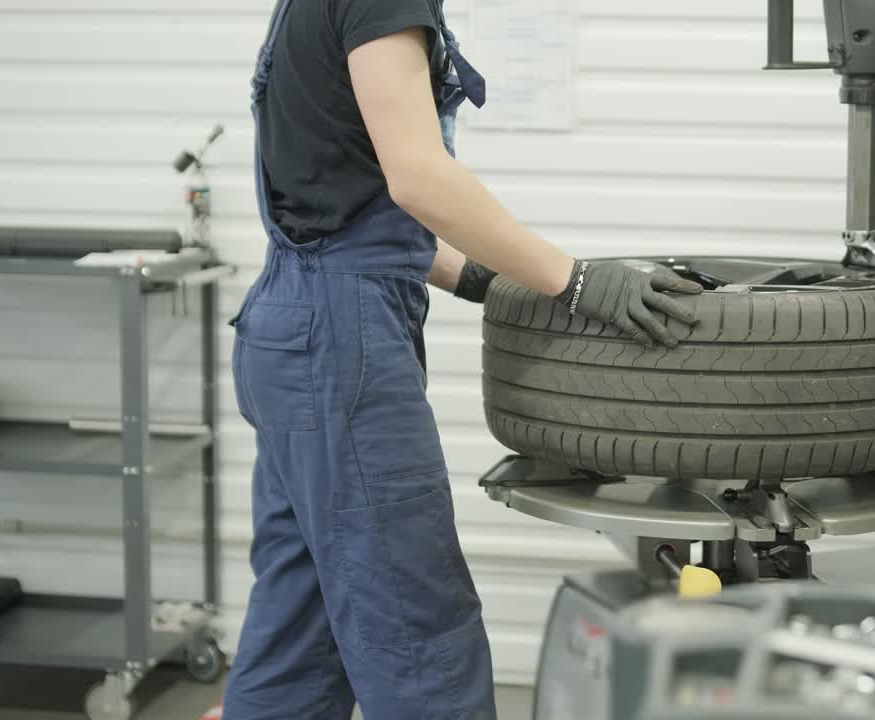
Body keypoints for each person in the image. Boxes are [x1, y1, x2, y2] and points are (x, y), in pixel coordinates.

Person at [222, 0, 702, 718]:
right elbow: (417, 179)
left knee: (300, 623)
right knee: (416, 626)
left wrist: (488, 279)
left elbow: (348, 206)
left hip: (292, 327)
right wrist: (572, 280)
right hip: (335, 339)